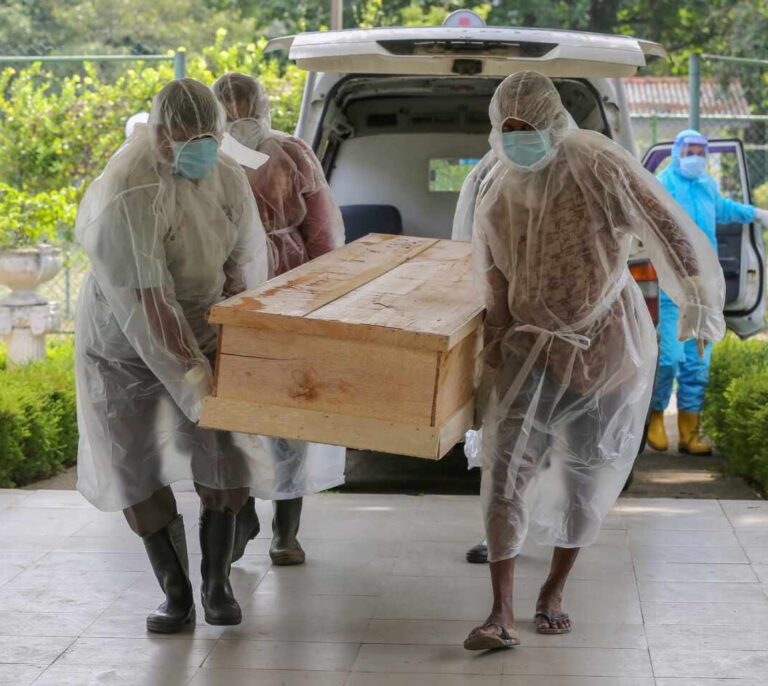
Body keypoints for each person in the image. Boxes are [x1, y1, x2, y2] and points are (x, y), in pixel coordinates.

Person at [462, 71, 725, 650]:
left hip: (604, 343)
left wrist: (698, 300)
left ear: (550, 120)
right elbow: (490, 270)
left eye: (524, 126)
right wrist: (494, 340)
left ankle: (553, 590)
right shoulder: (497, 181)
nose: (515, 137)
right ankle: (499, 612)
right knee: (503, 473)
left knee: (588, 472)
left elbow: (665, 227)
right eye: (505, 128)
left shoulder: (597, 164)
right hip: (529, 347)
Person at [75, 78, 273, 633]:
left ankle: (217, 584)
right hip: (123, 342)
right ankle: (176, 591)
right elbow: (149, 305)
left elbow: (242, 264)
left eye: (207, 135)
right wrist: (193, 378)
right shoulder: (130, 189)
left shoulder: (227, 176)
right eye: (184, 136)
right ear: (159, 134)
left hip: (201, 323)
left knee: (224, 449)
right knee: (132, 461)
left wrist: (233, 341)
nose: (198, 146)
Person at [212, 72, 346, 566]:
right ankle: (283, 534)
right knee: (289, 410)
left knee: (242, 411)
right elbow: (325, 234)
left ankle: (245, 512)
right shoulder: (291, 152)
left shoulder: (210, 156)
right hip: (287, 292)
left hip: (232, 297)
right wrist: (321, 297)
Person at [649, 129, 768, 454]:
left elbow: (724, 209)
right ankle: (655, 418)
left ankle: (690, 433)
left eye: (702, 151)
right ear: (676, 150)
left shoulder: (706, 186)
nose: (696, 157)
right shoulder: (662, 184)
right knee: (669, 359)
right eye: (690, 149)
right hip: (673, 286)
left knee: (698, 363)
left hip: (704, 288)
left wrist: (756, 214)